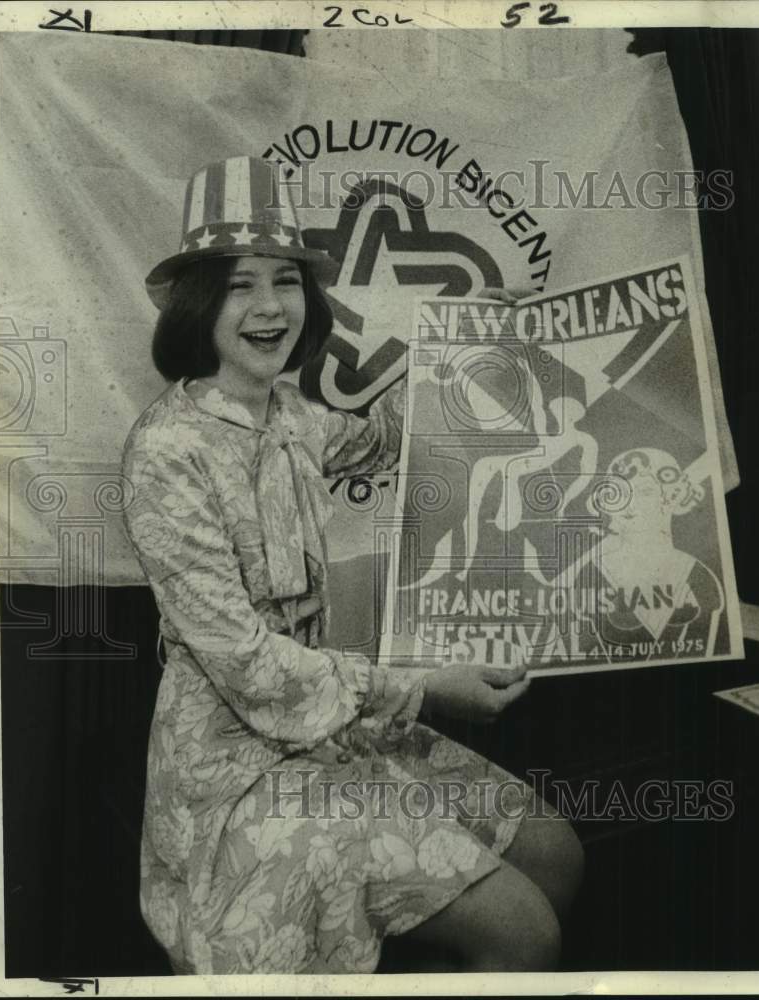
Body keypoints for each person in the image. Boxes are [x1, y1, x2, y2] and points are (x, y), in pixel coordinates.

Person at [121, 155, 583, 976]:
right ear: (198, 305)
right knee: (524, 933)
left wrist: (473, 339)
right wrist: (428, 686)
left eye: (286, 281)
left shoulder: (295, 417)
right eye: (238, 285)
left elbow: (383, 434)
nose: (269, 307)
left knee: (554, 851)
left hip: (336, 730)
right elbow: (248, 666)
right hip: (235, 774)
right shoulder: (166, 450)